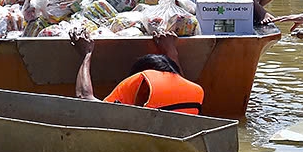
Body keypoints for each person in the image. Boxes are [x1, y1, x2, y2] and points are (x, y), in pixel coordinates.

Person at [69, 29, 204, 114]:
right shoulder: (194, 92)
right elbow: (176, 81)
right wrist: (171, 52)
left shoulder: (142, 82)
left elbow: (85, 99)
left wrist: (86, 54)